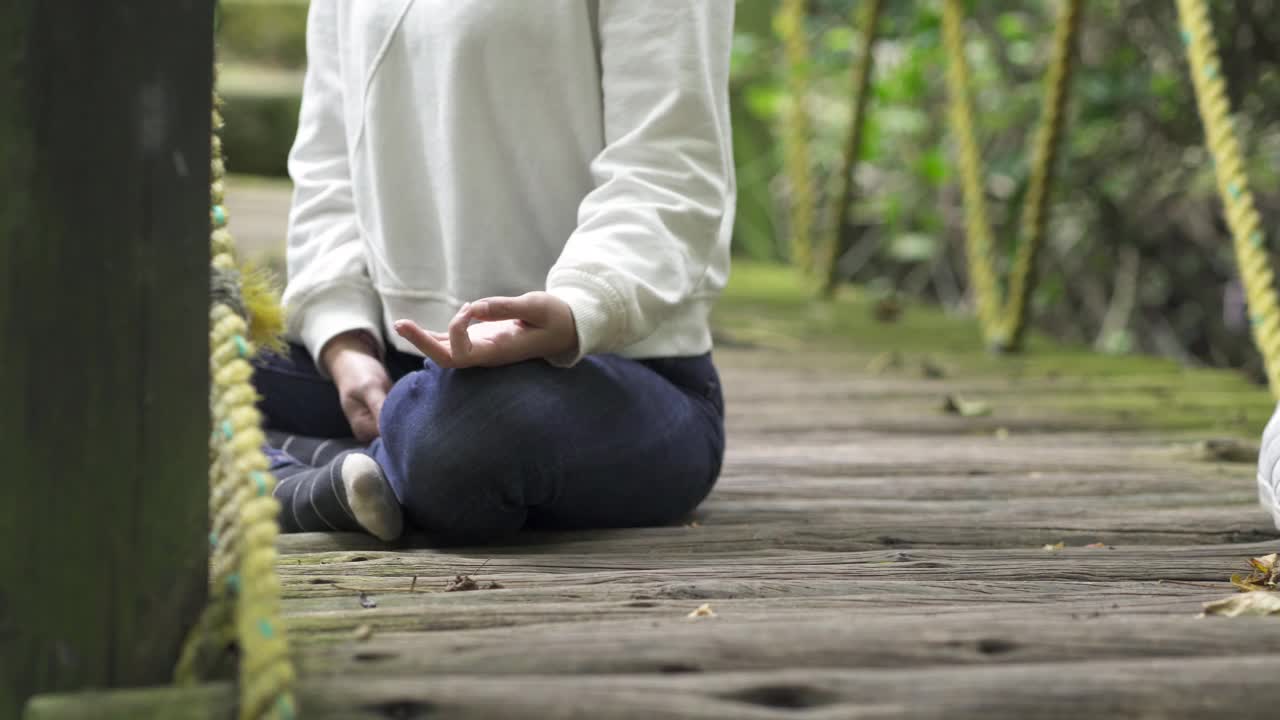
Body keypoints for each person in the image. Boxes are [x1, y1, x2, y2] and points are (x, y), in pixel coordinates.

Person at [252, 1, 736, 544]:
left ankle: (296, 469)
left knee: (459, 438)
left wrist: (580, 305)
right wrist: (343, 342)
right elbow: (329, 163)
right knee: (164, 340)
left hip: (606, 375)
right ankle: (352, 475)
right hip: (390, 364)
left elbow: (669, 168)